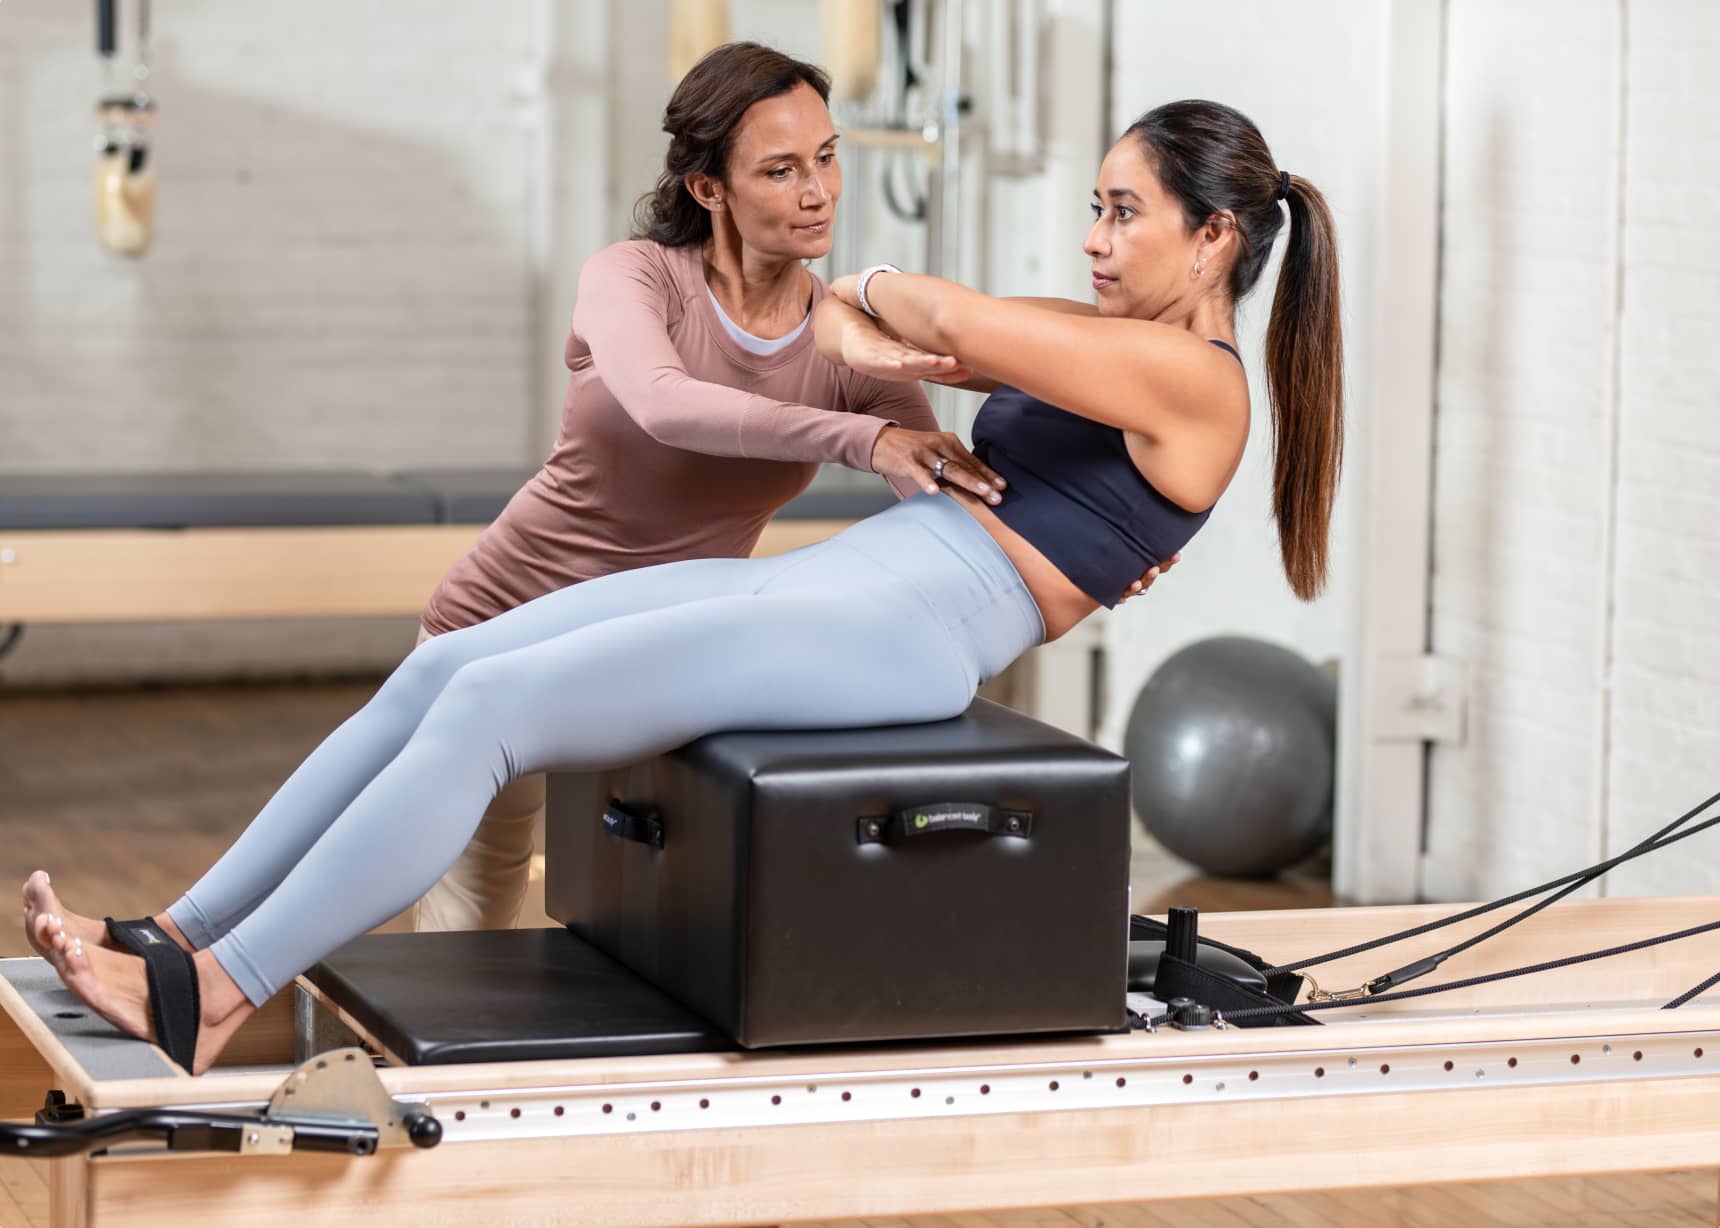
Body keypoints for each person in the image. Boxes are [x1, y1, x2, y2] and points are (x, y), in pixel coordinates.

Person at [24, 98, 1343, 1074]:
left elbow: (930, 321)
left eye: (1125, 213)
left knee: (497, 715)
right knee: (447, 664)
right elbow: (869, 334)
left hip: (906, 632)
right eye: (1098, 209)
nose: (1098, 238)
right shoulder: (1111, 342)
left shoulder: (1193, 381)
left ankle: (218, 996)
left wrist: (903, 300)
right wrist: (903, 325)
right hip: (854, 582)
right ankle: (173, 937)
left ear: (1216, 237)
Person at [404, 40, 1168, 932]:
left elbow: (946, 483)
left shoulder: (845, 337)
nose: (818, 192)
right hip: (494, 629)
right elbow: (666, 406)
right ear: (708, 189)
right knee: (470, 918)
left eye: (827, 158)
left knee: (635, 918)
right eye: (780, 169)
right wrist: (863, 438)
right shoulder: (634, 278)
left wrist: (1098, 540)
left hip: (657, 651)